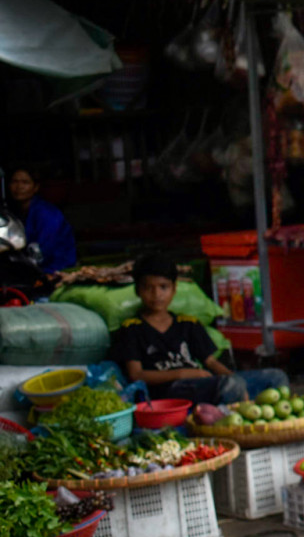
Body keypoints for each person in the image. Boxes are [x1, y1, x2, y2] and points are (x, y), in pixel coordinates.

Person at [111, 254, 289, 404]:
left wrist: (235, 379)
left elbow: (211, 362)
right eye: (148, 288)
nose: (157, 295)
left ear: (174, 289)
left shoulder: (187, 324)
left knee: (275, 377)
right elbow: (136, 374)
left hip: (205, 383)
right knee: (227, 387)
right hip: (170, 391)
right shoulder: (132, 329)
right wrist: (182, 373)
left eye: (163, 287)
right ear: (137, 291)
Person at [7, 165, 76, 274]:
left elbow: (45, 251)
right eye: (14, 182)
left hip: (57, 268)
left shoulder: (46, 213)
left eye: (25, 182)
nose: (19, 187)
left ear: (36, 187)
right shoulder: (14, 212)